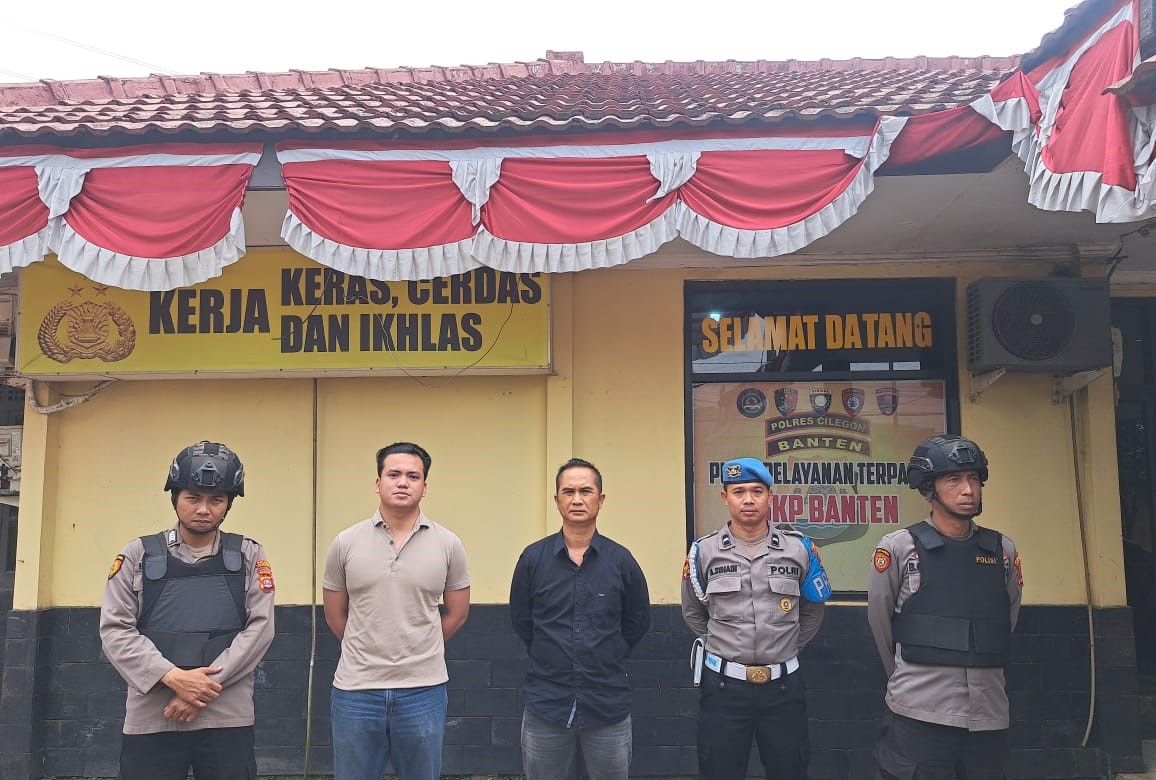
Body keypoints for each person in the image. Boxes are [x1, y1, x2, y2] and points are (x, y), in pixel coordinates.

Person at [100, 440, 275, 780]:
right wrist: (172, 677)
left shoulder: (249, 555)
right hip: (154, 715)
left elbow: (260, 629)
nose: (204, 509)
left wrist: (201, 690)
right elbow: (115, 629)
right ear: (175, 497)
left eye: (216, 500)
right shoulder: (137, 555)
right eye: (193, 498)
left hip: (226, 717)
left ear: (228, 504)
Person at [868, 434, 1024, 780]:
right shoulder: (899, 548)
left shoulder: (1003, 550)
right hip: (919, 710)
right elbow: (880, 623)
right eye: (953, 479)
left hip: (988, 713)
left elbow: (1007, 616)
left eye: (974, 479)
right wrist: (906, 678)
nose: (968, 490)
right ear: (928, 488)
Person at [322, 441, 471, 780]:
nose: (403, 482)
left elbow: (458, 613)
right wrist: (365, 645)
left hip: (423, 690)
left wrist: (422, 645)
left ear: (424, 487)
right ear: (378, 483)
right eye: (394, 474)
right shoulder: (345, 542)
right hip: (357, 690)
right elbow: (334, 615)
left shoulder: (448, 544)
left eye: (413, 476)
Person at [682, 457, 831, 780]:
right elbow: (694, 611)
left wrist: (785, 648)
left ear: (770, 496)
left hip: (783, 689)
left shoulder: (799, 549)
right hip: (723, 688)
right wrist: (725, 646)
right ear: (725, 497)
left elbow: (813, 608)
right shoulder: (703, 552)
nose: (748, 499)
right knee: (719, 771)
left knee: (790, 770)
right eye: (739, 492)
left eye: (757, 491)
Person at [510, 458, 651, 780]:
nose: (577, 499)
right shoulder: (533, 559)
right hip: (547, 702)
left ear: (600, 499)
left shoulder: (621, 561)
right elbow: (522, 620)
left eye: (586, 491)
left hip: (606, 702)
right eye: (568, 491)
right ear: (556, 499)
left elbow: (638, 620)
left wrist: (609, 653)